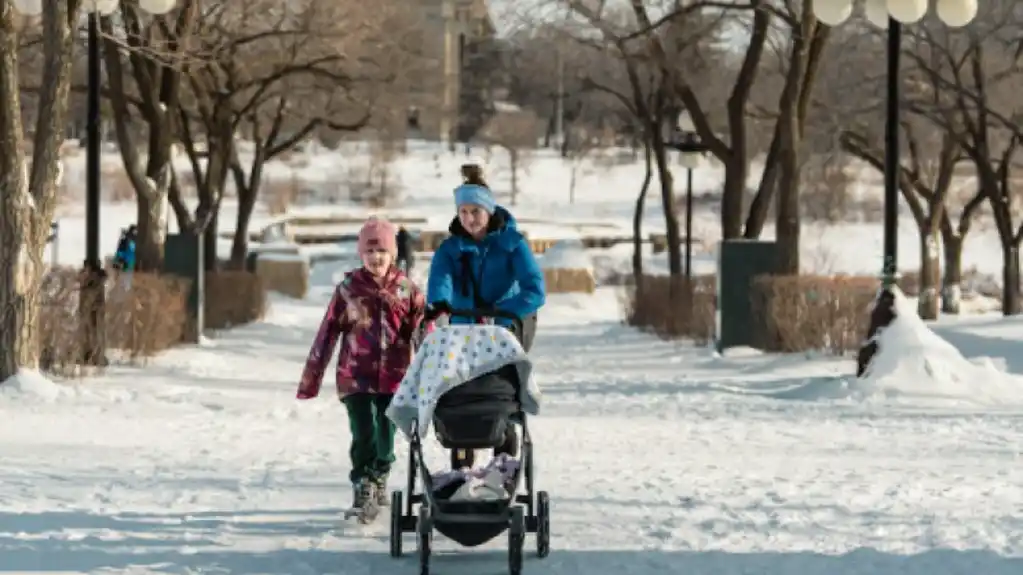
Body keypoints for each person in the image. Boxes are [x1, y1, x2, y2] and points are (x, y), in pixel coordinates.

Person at [297, 217, 427, 516]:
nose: (376, 258)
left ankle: (380, 474)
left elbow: (422, 331)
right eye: (369, 252)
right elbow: (327, 332)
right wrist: (311, 378)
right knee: (363, 431)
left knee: (386, 433)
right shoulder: (348, 289)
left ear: (393, 254)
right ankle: (363, 483)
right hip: (355, 376)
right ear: (361, 255)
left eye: (381, 251)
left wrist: (429, 371)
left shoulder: (407, 291)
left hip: (395, 378)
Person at [425, 175, 546, 469]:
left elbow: (535, 289)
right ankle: (461, 452)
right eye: (463, 212)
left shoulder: (513, 244)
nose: (469, 219)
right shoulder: (450, 248)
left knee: (498, 386)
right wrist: (440, 303)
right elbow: (439, 278)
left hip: (505, 326)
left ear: (489, 211)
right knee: (462, 387)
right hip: (464, 328)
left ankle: (503, 437)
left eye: (475, 211)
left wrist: (503, 312)